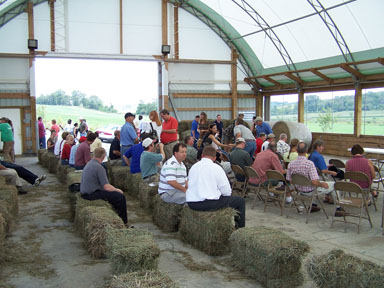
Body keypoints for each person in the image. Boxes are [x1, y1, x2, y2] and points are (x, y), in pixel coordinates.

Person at [186, 146, 246, 228]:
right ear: (214, 158)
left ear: (202, 155)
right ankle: (239, 229)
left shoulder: (193, 167)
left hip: (192, 203)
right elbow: (226, 191)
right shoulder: (216, 168)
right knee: (240, 201)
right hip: (208, 203)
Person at [287, 142, 343, 215]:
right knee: (334, 185)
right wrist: (322, 184)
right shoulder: (309, 164)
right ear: (306, 150)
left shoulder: (291, 164)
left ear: (296, 150)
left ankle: (314, 205)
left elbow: (290, 180)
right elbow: (315, 182)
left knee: (319, 184)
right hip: (311, 191)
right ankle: (338, 208)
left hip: (299, 190)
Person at [80, 147, 128, 224]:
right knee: (120, 197)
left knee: (111, 195)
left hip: (85, 192)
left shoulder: (89, 164)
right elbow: (106, 187)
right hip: (91, 194)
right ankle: (123, 222)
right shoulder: (99, 167)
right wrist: (118, 190)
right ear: (103, 157)